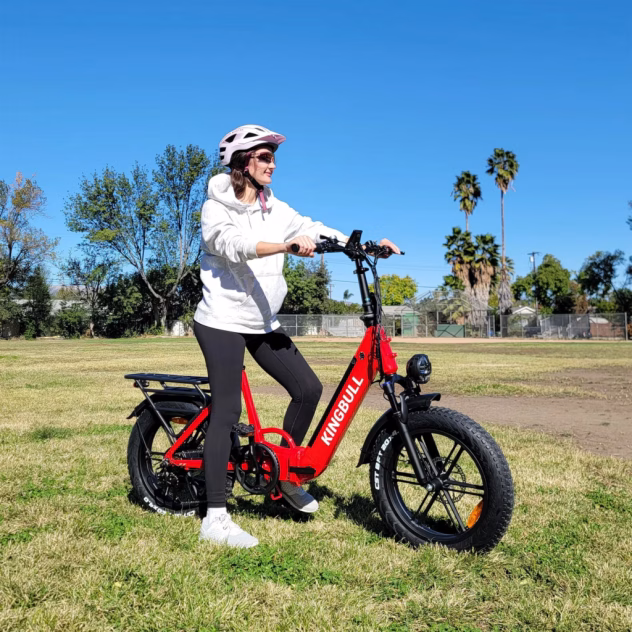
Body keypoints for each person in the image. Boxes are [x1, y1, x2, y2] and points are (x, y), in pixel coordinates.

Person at [194, 124, 400, 548]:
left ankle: (284, 476)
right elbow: (231, 243)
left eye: (273, 158)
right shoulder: (215, 207)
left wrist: (362, 246)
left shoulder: (274, 207)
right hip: (221, 320)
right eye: (264, 157)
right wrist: (284, 246)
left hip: (262, 321)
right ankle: (214, 519)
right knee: (228, 410)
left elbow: (311, 226)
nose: (272, 165)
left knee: (307, 388)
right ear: (243, 162)